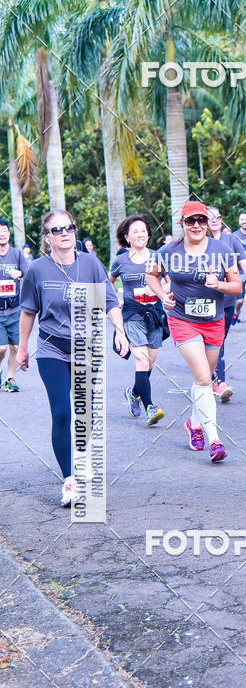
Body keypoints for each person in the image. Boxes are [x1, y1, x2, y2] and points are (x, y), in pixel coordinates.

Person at [17, 210, 128, 506]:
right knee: (62, 412)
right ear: (46, 238)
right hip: (51, 349)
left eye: (69, 227)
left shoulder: (91, 264)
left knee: (85, 413)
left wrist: (119, 332)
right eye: (57, 230)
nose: (65, 233)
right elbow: (29, 311)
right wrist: (23, 347)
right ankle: (69, 480)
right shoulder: (37, 269)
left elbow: (109, 301)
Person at [147, 200, 242, 462]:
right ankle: (215, 441)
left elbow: (237, 287)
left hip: (214, 321)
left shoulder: (222, 250)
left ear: (207, 223)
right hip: (182, 319)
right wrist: (161, 295)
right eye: (191, 221)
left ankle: (193, 423)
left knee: (205, 378)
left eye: (201, 220)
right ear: (182, 224)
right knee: (203, 379)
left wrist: (220, 285)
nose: (197, 225)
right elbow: (151, 275)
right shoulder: (169, 250)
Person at [109, 214, 165, 426]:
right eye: (135, 231)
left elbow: (169, 282)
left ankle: (133, 393)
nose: (140, 234)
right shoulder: (121, 260)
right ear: (127, 236)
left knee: (150, 362)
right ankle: (150, 407)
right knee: (141, 360)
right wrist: (116, 300)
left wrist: (163, 293)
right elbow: (109, 281)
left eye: (143, 230)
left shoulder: (158, 257)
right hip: (132, 315)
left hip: (154, 314)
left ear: (148, 234)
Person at [206, 206, 246, 402]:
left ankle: (209, 378)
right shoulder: (201, 240)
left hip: (226, 301)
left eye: (218, 217)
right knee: (214, 341)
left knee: (219, 340)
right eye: (210, 218)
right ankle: (219, 382)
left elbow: (244, 261)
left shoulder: (230, 239)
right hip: (204, 300)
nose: (215, 220)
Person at [0, 219, 30, 392]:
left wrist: (20, 273)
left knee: (15, 347)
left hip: (14, 310)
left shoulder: (17, 254)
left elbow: (29, 272)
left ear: (9, 233)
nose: (2, 233)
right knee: (2, 347)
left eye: (4, 230)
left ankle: (10, 379)